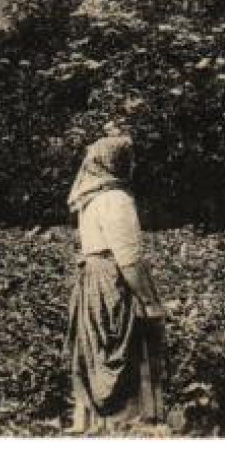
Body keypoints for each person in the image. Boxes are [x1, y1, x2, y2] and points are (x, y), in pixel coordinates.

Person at [65, 134, 169, 433]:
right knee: (124, 345)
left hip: (92, 280)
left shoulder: (91, 198)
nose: (133, 164)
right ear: (118, 163)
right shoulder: (116, 199)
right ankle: (125, 424)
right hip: (114, 280)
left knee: (97, 347)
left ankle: (93, 422)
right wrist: (149, 300)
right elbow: (128, 258)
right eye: (129, 158)